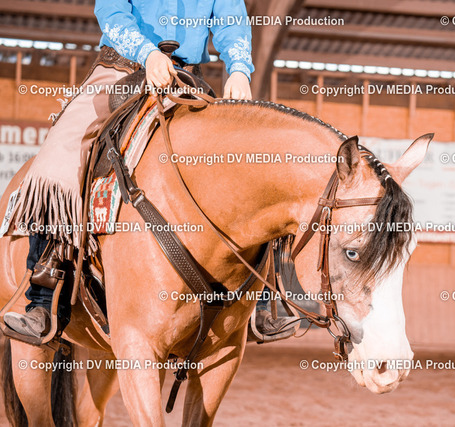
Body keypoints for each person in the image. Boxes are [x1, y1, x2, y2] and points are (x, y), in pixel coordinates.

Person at [4, 0, 294, 339]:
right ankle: (44, 298)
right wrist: (148, 53)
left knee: (246, 158)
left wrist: (240, 69)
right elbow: (111, 13)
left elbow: (231, 19)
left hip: (186, 79)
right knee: (58, 157)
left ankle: (260, 298)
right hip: (120, 70)